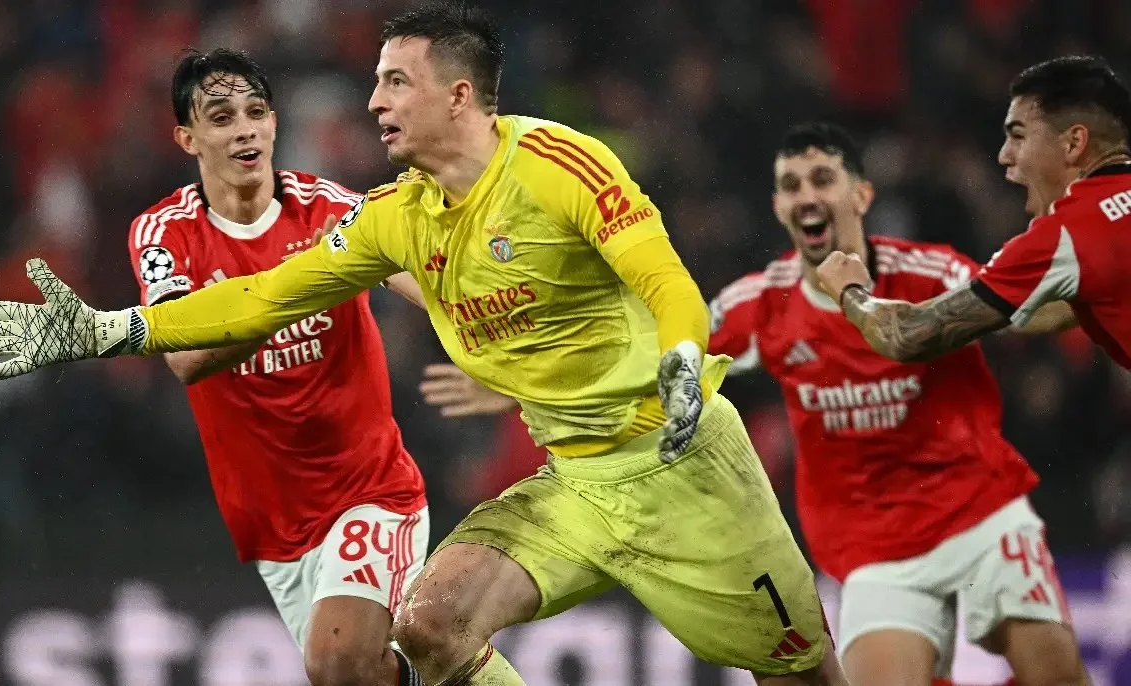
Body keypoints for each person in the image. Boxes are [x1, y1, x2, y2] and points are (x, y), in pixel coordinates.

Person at [0, 4, 847, 685]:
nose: (374, 99)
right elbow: (259, 299)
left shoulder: (555, 165)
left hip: (683, 467)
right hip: (573, 481)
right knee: (429, 625)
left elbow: (664, 279)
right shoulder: (393, 217)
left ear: (457, 96)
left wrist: (685, 355)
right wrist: (114, 330)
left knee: (799, 671)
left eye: (395, 82)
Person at [418, 122, 1091, 686]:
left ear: (861, 193)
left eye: (822, 180)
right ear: (778, 208)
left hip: (977, 513)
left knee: (1053, 673)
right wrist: (513, 379)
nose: (807, 195)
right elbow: (652, 357)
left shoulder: (931, 272)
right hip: (875, 547)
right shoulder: (759, 303)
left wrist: (1099, 297)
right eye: (791, 185)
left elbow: (1030, 312)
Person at [127, 49, 429, 686]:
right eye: (221, 116)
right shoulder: (164, 233)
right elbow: (185, 356)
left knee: (336, 661)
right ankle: (457, 666)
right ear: (187, 137)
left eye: (256, 112)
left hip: (369, 493)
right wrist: (307, 281)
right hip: (274, 527)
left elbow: (427, 287)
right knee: (355, 676)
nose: (244, 129)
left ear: (273, 124)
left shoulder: (331, 210)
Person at [814, 55, 1131, 370]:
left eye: (1019, 136)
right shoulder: (1094, 243)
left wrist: (849, 292)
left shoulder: (1065, 236)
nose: (1004, 155)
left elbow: (907, 336)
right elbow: (1056, 308)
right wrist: (980, 300)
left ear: (1074, 143)